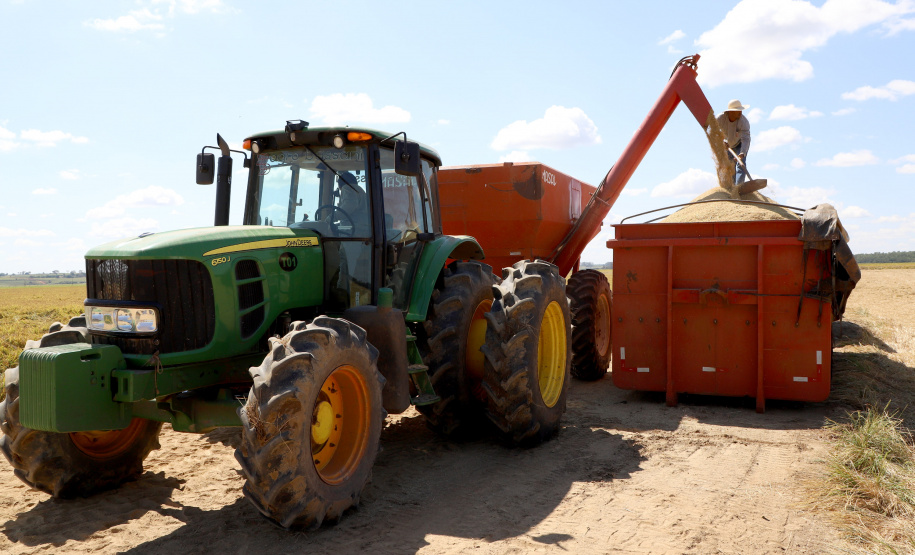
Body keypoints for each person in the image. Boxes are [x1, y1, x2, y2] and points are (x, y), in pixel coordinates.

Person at [716, 100, 751, 185]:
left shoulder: (743, 122)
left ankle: (739, 187)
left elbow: (746, 139)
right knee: (730, 166)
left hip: (740, 145)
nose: (741, 112)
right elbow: (713, 131)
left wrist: (742, 153)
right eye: (738, 110)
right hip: (728, 146)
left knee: (741, 164)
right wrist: (721, 141)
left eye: (741, 110)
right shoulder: (720, 119)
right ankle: (731, 188)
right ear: (731, 112)